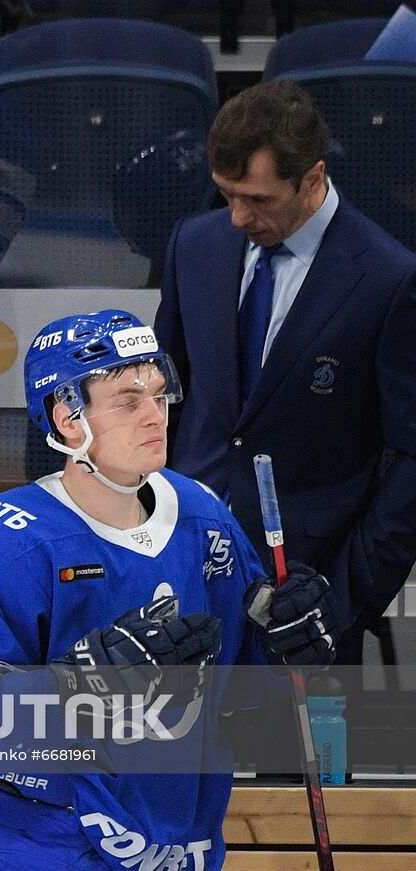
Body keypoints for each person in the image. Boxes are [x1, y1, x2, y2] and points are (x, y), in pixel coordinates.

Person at [0, 310, 336, 869]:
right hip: (48, 848)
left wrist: (283, 639)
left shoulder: (201, 514)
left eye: (161, 396)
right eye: (128, 400)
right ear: (68, 417)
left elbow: (240, 681)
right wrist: (75, 691)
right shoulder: (0, 542)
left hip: (182, 844)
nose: (156, 416)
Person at [154, 80, 416, 665]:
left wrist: (343, 598)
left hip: (308, 593)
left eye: (258, 200)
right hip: (179, 572)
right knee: (179, 754)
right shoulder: (192, 246)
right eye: (226, 195)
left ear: (314, 179)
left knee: (300, 759)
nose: (237, 217)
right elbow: (161, 398)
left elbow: (410, 465)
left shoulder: (389, 280)